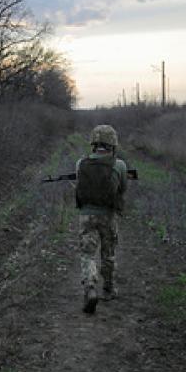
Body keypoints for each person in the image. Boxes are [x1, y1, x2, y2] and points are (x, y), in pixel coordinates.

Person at [75, 125, 128, 314]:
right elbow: (122, 189)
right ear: (112, 144)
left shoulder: (81, 163)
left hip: (86, 215)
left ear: (94, 143)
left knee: (87, 254)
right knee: (108, 253)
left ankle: (90, 288)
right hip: (108, 215)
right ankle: (108, 289)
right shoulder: (119, 165)